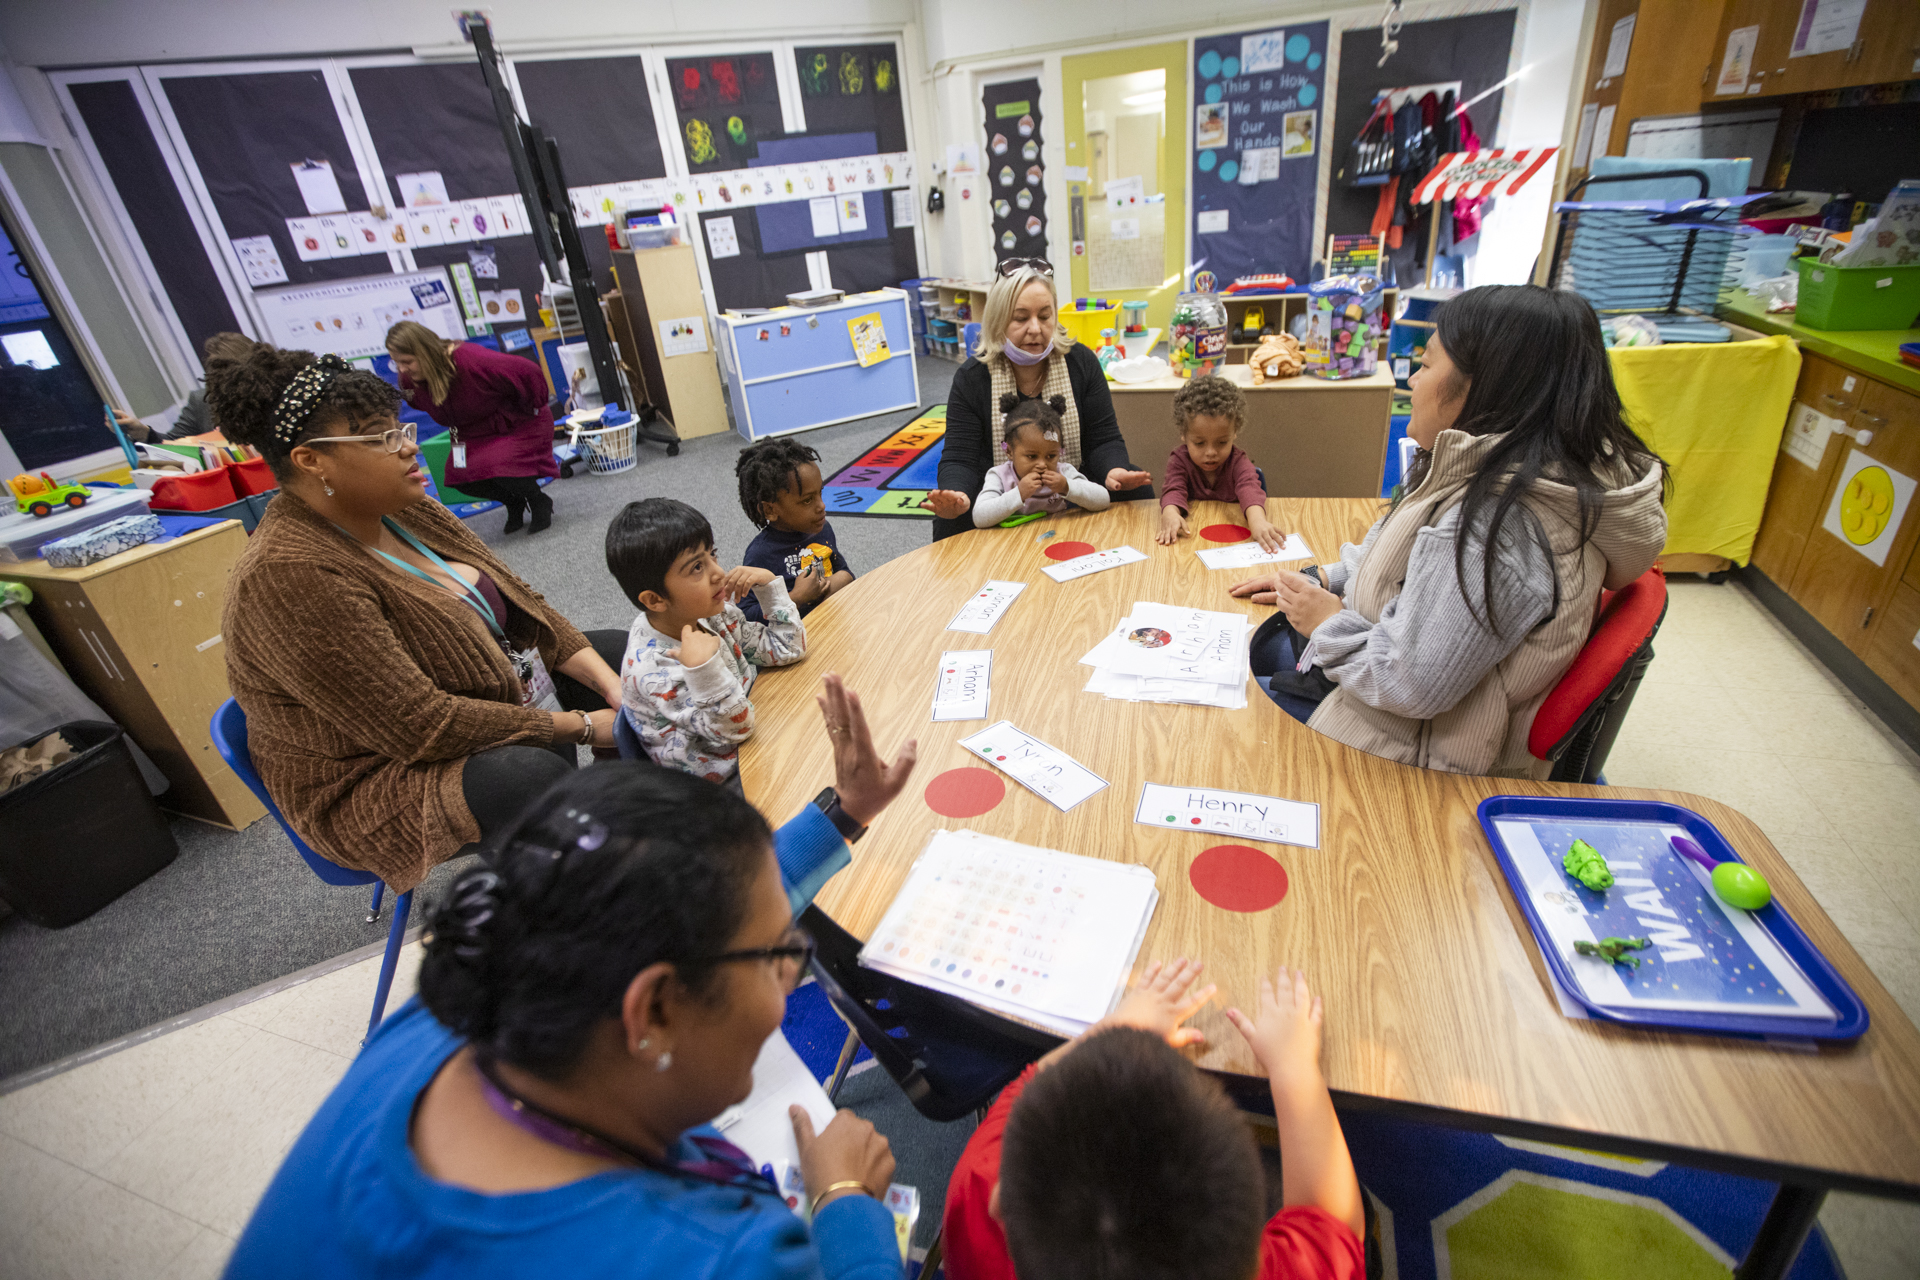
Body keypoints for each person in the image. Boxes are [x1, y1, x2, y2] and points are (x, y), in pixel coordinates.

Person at [227, 675, 922, 1280]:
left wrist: (843, 814)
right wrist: (845, 1202)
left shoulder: (462, 1004)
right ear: (651, 1013)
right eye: (779, 958)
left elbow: (688, 905)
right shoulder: (723, 1259)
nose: (786, 978)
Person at [212, 342, 627, 894]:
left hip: (483, 691)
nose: (408, 447)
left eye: (399, 428)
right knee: (527, 777)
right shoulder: (288, 576)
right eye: (382, 437)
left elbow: (526, 608)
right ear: (311, 460)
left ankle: (626, 834)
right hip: (373, 775)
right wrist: (579, 726)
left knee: (621, 656)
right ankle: (584, 899)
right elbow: (422, 726)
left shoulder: (405, 507)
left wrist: (612, 688)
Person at [1231, 285, 1667, 777]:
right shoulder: (1507, 469)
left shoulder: (1490, 527)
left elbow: (1408, 683)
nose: (1413, 382)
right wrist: (1323, 579)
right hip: (1384, 695)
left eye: (1425, 364)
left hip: (1406, 754)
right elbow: (1393, 551)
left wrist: (1327, 621)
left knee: (1222, 725)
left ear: (1487, 386)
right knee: (1252, 652)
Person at [940, 961, 1364, 1280]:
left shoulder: (975, 1189)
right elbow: (1333, 1223)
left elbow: (1029, 1086)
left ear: (999, 1204)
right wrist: (1293, 1067)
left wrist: (1121, 1024)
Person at [924, 261, 1151, 539]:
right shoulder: (972, 378)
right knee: (951, 518)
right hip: (1000, 494)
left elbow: (1104, 438)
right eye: (1020, 318)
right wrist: (957, 494)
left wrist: (1115, 469)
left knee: (1135, 485)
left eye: (1045, 316)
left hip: (1068, 484)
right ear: (998, 321)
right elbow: (960, 457)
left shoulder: (1081, 362)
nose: (1036, 329)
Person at [608, 498, 807, 785]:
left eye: (713, 555)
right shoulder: (653, 672)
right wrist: (704, 670)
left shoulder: (710, 612)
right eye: (697, 568)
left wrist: (770, 588)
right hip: (725, 785)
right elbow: (735, 731)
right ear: (655, 600)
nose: (718, 573)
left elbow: (788, 648)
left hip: (755, 728)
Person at [386, 319, 560, 534]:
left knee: (499, 466)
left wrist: (531, 405)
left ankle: (538, 500)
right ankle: (513, 501)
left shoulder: (472, 360)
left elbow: (528, 371)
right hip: (472, 433)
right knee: (459, 476)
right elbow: (416, 399)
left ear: (425, 352)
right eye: (396, 362)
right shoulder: (410, 378)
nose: (402, 369)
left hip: (517, 423)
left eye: (407, 361)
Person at [1156, 374, 1283, 553]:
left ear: (1234, 433)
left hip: (1233, 543)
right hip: (1193, 544)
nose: (1211, 452)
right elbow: (1173, 490)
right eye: (1199, 443)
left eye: (1222, 442)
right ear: (1184, 435)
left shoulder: (1238, 462)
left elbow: (1250, 490)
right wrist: (1170, 513)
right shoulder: (1179, 460)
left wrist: (1258, 522)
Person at [736, 437, 855, 621]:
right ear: (770, 510)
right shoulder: (760, 554)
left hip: (834, 620)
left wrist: (823, 588)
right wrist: (796, 598)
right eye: (807, 500)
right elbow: (746, 617)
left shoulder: (822, 529)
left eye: (820, 493)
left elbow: (845, 573)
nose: (821, 506)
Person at [970, 399, 1111, 528]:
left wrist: (1066, 486)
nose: (1042, 464)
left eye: (1051, 456)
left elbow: (1103, 499)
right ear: (1009, 451)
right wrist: (1019, 493)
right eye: (1031, 456)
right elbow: (980, 518)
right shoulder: (999, 476)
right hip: (1013, 544)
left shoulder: (1063, 472)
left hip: (1057, 536)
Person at [112, 331, 254, 442]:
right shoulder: (202, 401)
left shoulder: (274, 397)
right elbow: (176, 443)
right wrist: (142, 433)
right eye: (218, 374)